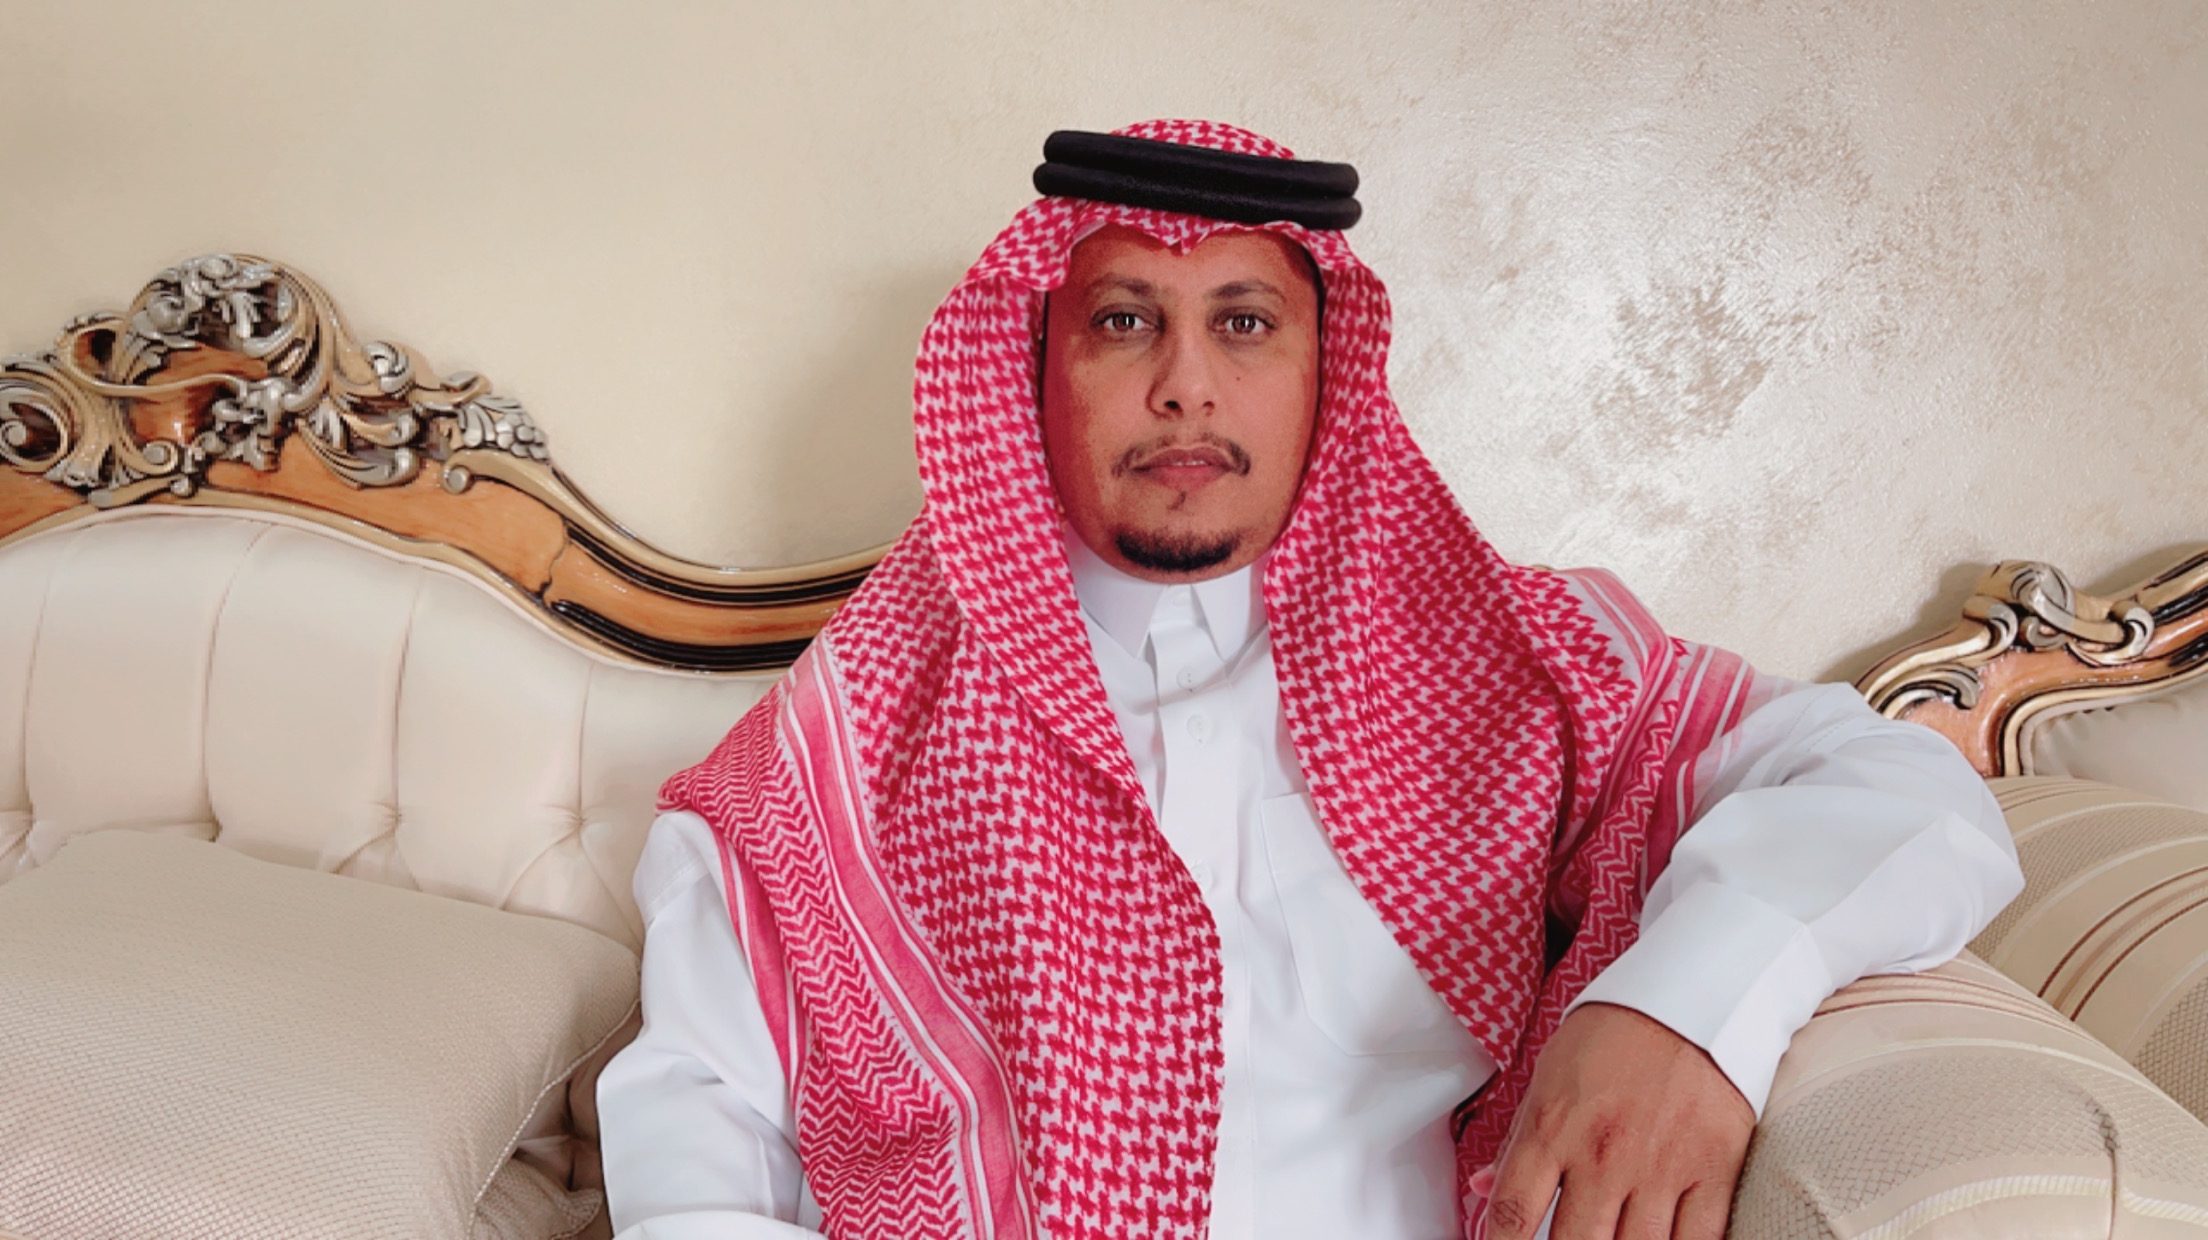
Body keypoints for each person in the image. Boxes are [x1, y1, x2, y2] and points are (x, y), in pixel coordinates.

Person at [595, 120, 2022, 1240]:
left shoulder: (1519, 668)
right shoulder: (835, 763)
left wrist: (1687, 1010)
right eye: (1123, 320)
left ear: (1323, 372)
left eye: (1245, 322)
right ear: (1033, 369)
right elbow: (696, 1156)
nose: (1186, 384)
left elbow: (1903, 785)